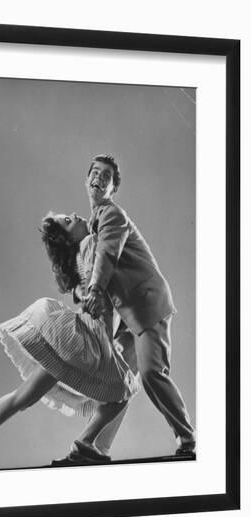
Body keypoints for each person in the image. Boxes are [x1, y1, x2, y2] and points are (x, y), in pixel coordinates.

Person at [0, 212, 140, 473]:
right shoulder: (92, 244)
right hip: (90, 341)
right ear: (69, 238)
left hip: (73, 340)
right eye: (68, 221)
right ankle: (86, 444)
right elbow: (109, 288)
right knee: (123, 391)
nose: (74, 215)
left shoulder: (77, 263)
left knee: (22, 397)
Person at [77, 153, 195, 457]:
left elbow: (107, 257)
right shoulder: (96, 224)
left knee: (151, 373)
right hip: (131, 316)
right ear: (86, 179)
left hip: (147, 307)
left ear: (113, 188)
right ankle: (93, 446)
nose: (99, 178)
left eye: (107, 176)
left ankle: (187, 439)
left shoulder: (111, 215)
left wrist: (92, 288)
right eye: (96, 173)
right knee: (118, 381)